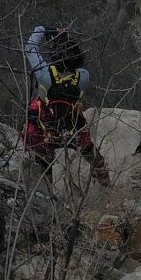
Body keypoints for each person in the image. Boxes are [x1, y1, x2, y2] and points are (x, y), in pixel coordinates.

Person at [22, 23, 110, 186]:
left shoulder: (44, 74)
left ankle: (47, 190)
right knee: (88, 149)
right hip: (71, 128)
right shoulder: (83, 77)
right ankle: (103, 176)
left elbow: (30, 49)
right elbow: (77, 69)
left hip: (44, 129)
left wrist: (42, 30)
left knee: (42, 155)